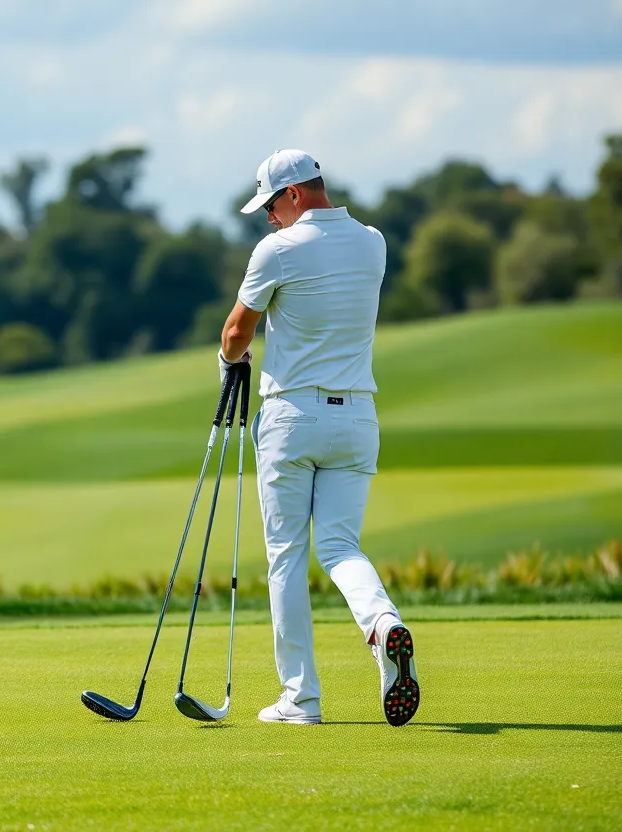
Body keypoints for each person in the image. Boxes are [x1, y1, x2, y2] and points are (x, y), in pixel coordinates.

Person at [218, 149, 419, 727]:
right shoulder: (373, 242)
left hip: (292, 417)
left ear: (294, 195)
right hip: (357, 417)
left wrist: (228, 360)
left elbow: (236, 332)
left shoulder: (277, 251)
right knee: (339, 546)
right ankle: (383, 628)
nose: (268, 219)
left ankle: (301, 699)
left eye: (270, 206)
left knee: (286, 555)